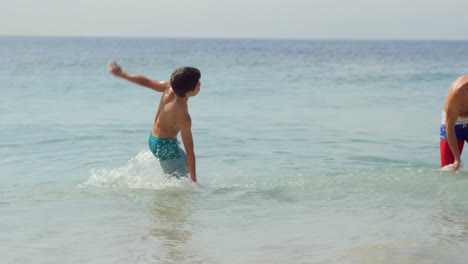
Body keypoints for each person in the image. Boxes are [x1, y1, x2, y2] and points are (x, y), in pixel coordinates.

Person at [107, 62, 200, 182]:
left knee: (186, 167)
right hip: (165, 147)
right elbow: (190, 150)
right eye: (198, 84)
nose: (200, 85)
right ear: (189, 93)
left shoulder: (168, 87)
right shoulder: (183, 116)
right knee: (179, 184)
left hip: (154, 139)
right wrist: (194, 183)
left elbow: (146, 82)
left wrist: (122, 74)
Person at [440, 75, 468, 171]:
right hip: (454, 125)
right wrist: (457, 159)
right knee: (448, 169)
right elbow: (450, 127)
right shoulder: (457, 93)